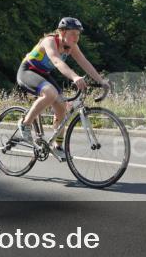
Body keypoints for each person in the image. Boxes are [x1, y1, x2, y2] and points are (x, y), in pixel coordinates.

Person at [16, 17, 109, 160]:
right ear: (62, 32)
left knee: (62, 107)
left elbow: (85, 63)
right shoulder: (49, 41)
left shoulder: (72, 46)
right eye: (73, 34)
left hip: (44, 74)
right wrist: (75, 77)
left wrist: (101, 81)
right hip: (28, 71)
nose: (76, 38)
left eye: (78, 34)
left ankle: (58, 146)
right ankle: (25, 123)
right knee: (50, 93)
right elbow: (56, 61)